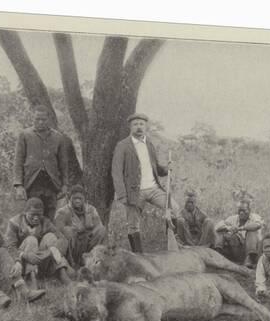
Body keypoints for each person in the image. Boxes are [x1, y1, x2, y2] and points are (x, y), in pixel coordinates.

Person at [111, 112, 180, 253]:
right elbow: (116, 172)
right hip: (134, 192)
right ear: (130, 127)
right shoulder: (123, 146)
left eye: (141, 124)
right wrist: (122, 195)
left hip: (154, 189)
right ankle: (139, 257)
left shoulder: (149, 144)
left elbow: (156, 168)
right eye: (135, 124)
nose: (139, 127)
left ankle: (171, 245)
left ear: (146, 126)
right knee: (133, 226)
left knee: (174, 208)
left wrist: (167, 169)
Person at [13, 105, 69, 220]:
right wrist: (18, 185)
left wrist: (65, 184)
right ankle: (32, 237)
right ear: (33, 119)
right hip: (32, 182)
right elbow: (18, 161)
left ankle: (48, 237)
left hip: (51, 183)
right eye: (37, 119)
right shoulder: (25, 135)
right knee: (33, 215)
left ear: (49, 119)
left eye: (43, 119)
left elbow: (63, 163)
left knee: (50, 216)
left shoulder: (58, 137)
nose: (40, 122)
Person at [5, 197, 73, 287]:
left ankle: (62, 272)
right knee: (31, 239)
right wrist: (24, 255)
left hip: (41, 260)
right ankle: (32, 280)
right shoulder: (14, 223)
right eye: (32, 214)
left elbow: (62, 238)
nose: (36, 218)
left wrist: (51, 251)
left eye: (39, 215)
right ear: (25, 212)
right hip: (22, 263)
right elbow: (10, 247)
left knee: (51, 237)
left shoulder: (45, 222)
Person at [54, 184, 107, 268]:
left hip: (88, 244)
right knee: (68, 231)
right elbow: (58, 232)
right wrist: (73, 230)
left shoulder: (91, 209)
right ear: (69, 198)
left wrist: (88, 227)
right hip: (72, 247)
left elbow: (98, 226)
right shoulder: (62, 212)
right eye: (75, 198)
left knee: (101, 230)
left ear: (84, 199)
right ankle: (71, 263)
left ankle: (93, 259)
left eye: (80, 199)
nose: (77, 201)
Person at [214, 200, 263, 268]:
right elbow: (217, 226)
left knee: (252, 232)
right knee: (221, 231)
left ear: (249, 210)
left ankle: (249, 260)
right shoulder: (233, 218)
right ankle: (217, 254)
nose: (241, 213)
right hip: (236, 249)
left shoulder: (255, 217)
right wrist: (229, 228)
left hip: (250, 250)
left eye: (244, 210)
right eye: (239, 210)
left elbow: (257, 225)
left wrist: (241, 228)